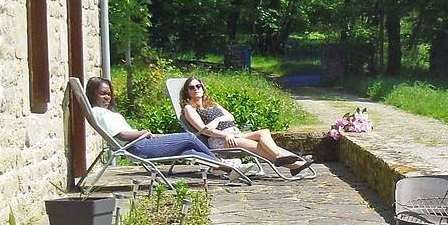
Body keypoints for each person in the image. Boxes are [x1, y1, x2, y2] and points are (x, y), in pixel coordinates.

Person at [86, 77, 242, 175]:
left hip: (140, 143)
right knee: (189, 137)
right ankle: (225, 166)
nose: (107, 97)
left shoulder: (105, 112)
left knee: (189, 150)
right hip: (138, 147)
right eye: (102, 93)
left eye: (108, 93)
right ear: (93, 94)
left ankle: (221, 168)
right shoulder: (99, 112)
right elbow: (122, 136)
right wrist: (143, 132)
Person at [179, 77, 313, 175]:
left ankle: (280, 157)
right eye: (192, 87)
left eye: (198, 86)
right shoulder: (189, 109)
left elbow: (230, 116)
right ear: (187, 91)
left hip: (235, 133)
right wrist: (225, 134)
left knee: (263, 132)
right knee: (258, 147)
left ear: (203, 88)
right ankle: (293, 165)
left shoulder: (212, 104)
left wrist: (217, 120)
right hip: (221, 140)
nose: (196, 89)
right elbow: (204, 130)